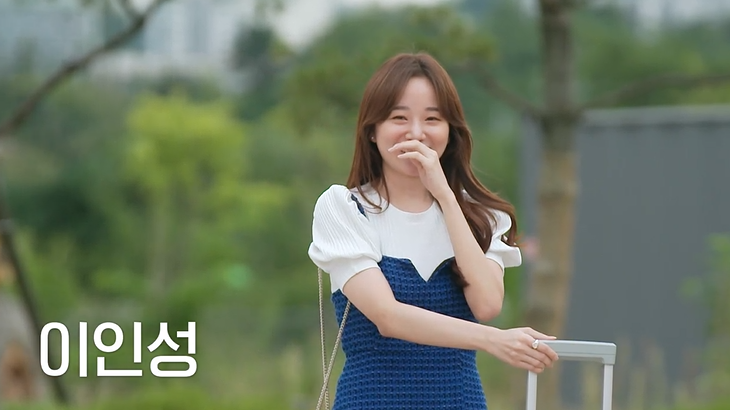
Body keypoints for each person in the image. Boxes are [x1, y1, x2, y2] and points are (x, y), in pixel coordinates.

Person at [308, 52, 559, 410]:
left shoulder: (483, 215)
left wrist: (446, 197)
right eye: (399, 118)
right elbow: (387, 316)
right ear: (372, 131)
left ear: (451, 132)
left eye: (432, 119)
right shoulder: (344, 209)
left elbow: (487, 303)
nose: (416, 133)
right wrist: (493, 340)